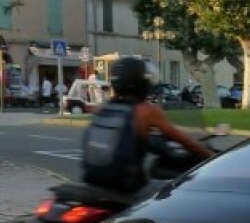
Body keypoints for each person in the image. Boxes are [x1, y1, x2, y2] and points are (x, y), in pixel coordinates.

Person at [82, 56, 214, 193]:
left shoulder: (102, 108)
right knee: (173, 192)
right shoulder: (145, 111)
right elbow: (183, 140)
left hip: (92, 181)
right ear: (142, 83)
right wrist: (211, 157)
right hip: (127, 187)